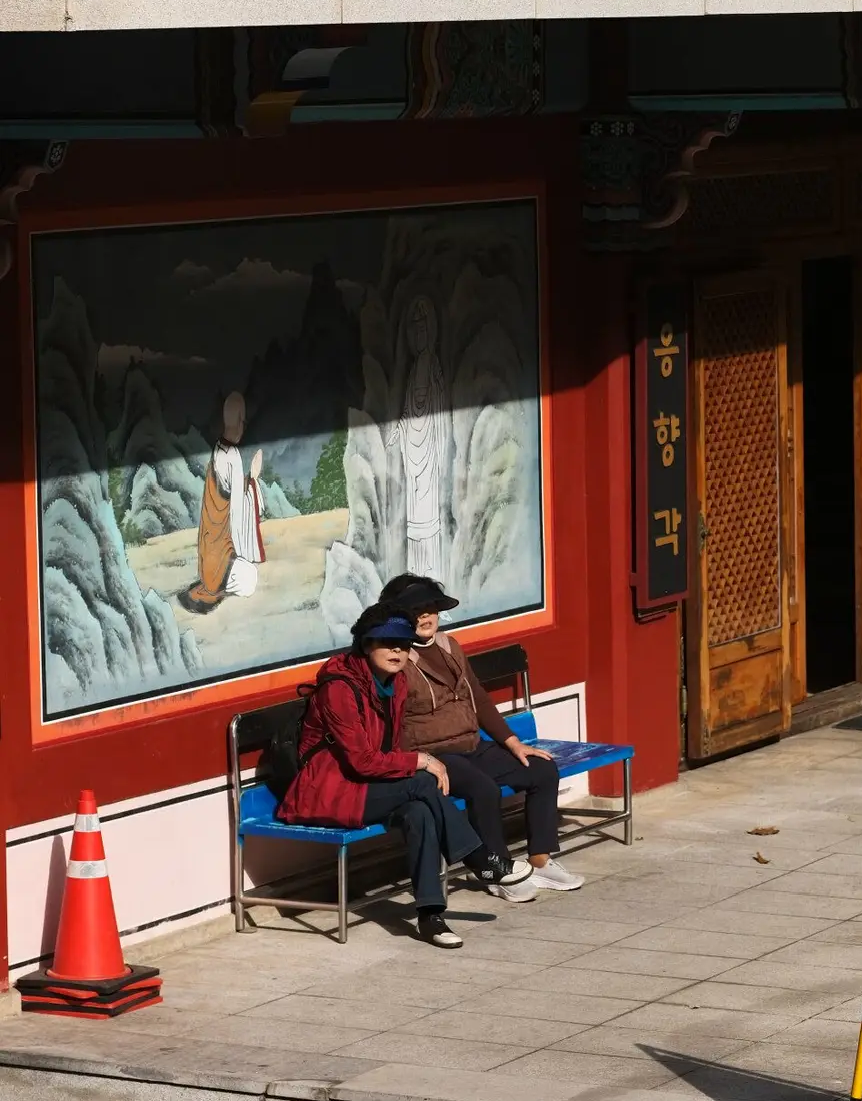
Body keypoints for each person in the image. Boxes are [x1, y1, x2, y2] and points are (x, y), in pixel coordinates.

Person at [276, 606, 532, 948]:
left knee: (420, 811)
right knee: (422, 782)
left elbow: (392, 747)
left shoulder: (394, 684)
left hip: (369, 787)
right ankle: (480, 859)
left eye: (404, 643)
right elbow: (362, 761)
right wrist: (422, 761)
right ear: (366, 644)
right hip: (328, 792)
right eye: (387, 642)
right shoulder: (339, 689)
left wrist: (419, 761)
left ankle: (430, 916)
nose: (397, 650)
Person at [379, 573, 584, 897]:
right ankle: (498, 871)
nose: (425, 616)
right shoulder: (395, 659)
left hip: (473, 744)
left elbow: (478, 697)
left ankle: (541, 860)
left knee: (542, 769)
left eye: (430, 607)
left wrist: (513, 742)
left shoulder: (449, 645)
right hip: (434, 754)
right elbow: (388, 720)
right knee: (483, 789)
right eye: (414, 610)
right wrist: (418, 762)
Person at [179, 391, 264, 614]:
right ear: (239, 422)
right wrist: (253, 480)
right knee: (250, 580)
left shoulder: (219, 449)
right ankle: (215, 587)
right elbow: (237, 514)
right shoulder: (232, 456)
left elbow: (231, 496)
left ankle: (211, 584)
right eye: (243, 422)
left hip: (209, 555)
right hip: (220, 557)